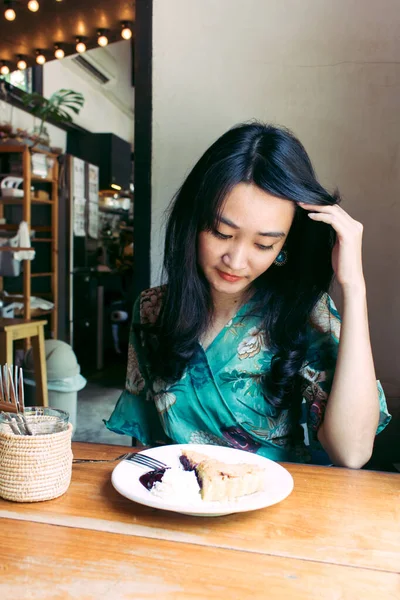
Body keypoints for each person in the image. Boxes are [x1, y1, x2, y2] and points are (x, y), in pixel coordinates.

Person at [105, 122, 390, 467]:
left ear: (284, 245)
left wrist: (354, 287)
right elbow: (145, 442)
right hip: (177, 501)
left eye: (263, 244)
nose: (236, 261)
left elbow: (352, 452)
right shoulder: (153, 309)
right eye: (222, 233)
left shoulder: (303, 313)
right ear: (194, 223)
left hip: (273, 506)